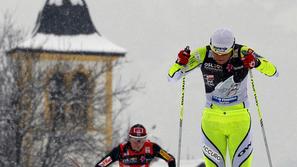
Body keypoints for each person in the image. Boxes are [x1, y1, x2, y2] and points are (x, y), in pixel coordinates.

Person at [168, 28, 278, 167]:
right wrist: (179, 63)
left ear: (232, 48)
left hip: (239, 120)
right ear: (211, 46)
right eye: (216, 52)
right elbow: (172, 77)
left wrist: (256, 62)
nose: (219, 57)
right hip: (212, 121)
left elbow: (274, 72)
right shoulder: (202, 53)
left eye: (224, 53)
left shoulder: (244, 52)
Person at [95, 124, 176, 167]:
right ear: (129, 139)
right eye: (135, 140)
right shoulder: (120, 150)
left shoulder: (152, 148)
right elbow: (101, 165)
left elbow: (170, 159)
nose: (138, 143)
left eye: (141, 140)